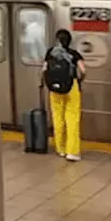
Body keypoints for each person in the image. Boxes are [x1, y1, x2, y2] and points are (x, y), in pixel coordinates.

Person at [43, 29, 86, 162]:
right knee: (72, 119)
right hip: (71, 87)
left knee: (58, 118)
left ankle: (60, 149)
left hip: (54, 89)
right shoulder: (74, 54)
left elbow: (44, 69)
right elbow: (83, 70)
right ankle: (72, 152)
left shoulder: (50, 53)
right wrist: (79, 80)